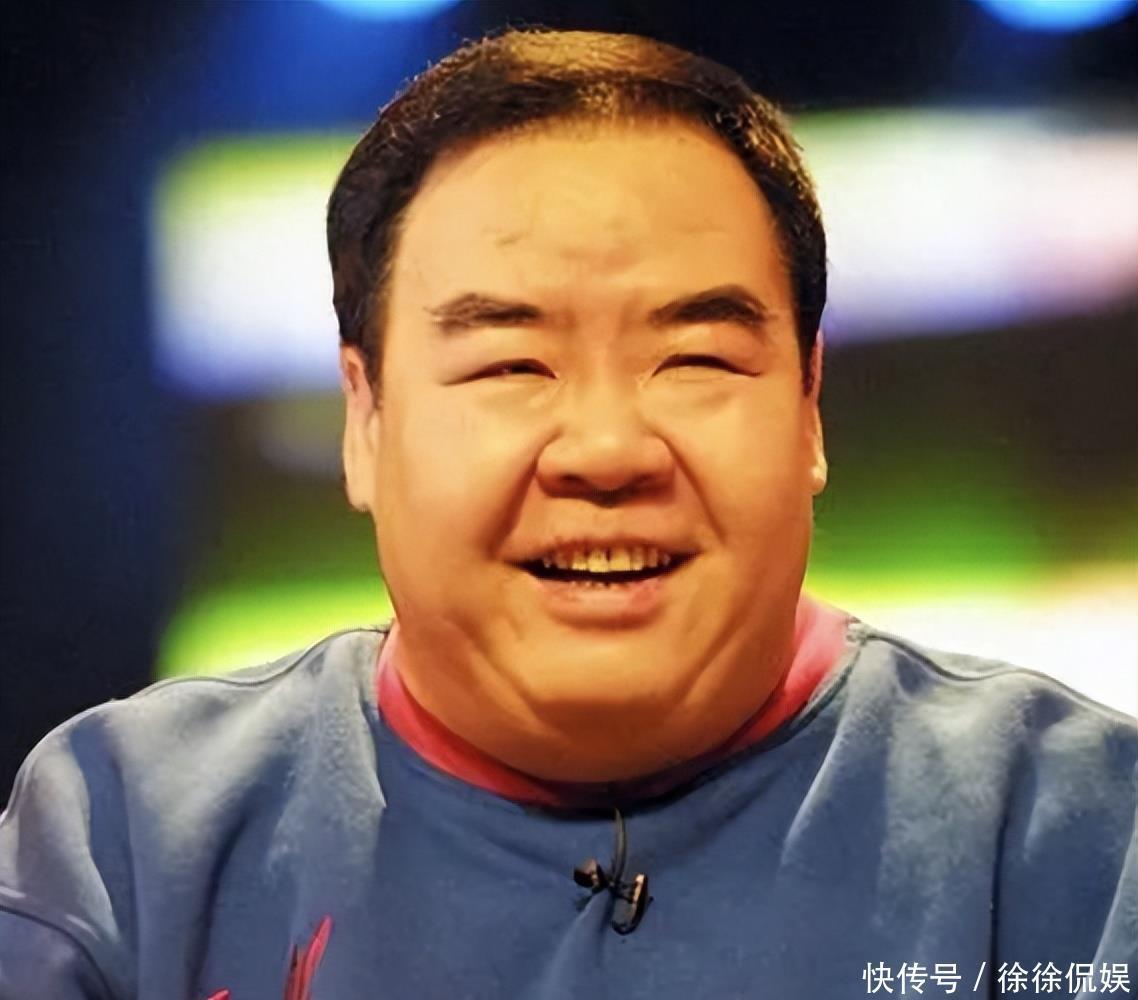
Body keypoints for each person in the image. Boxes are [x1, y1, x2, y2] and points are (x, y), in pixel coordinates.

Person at [1, 27, 1134, 1000]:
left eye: (695, 358)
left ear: (809, 411)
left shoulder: (1075, 835)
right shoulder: (124, 840)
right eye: (511, 365)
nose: (606, 450)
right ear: (365, 420)